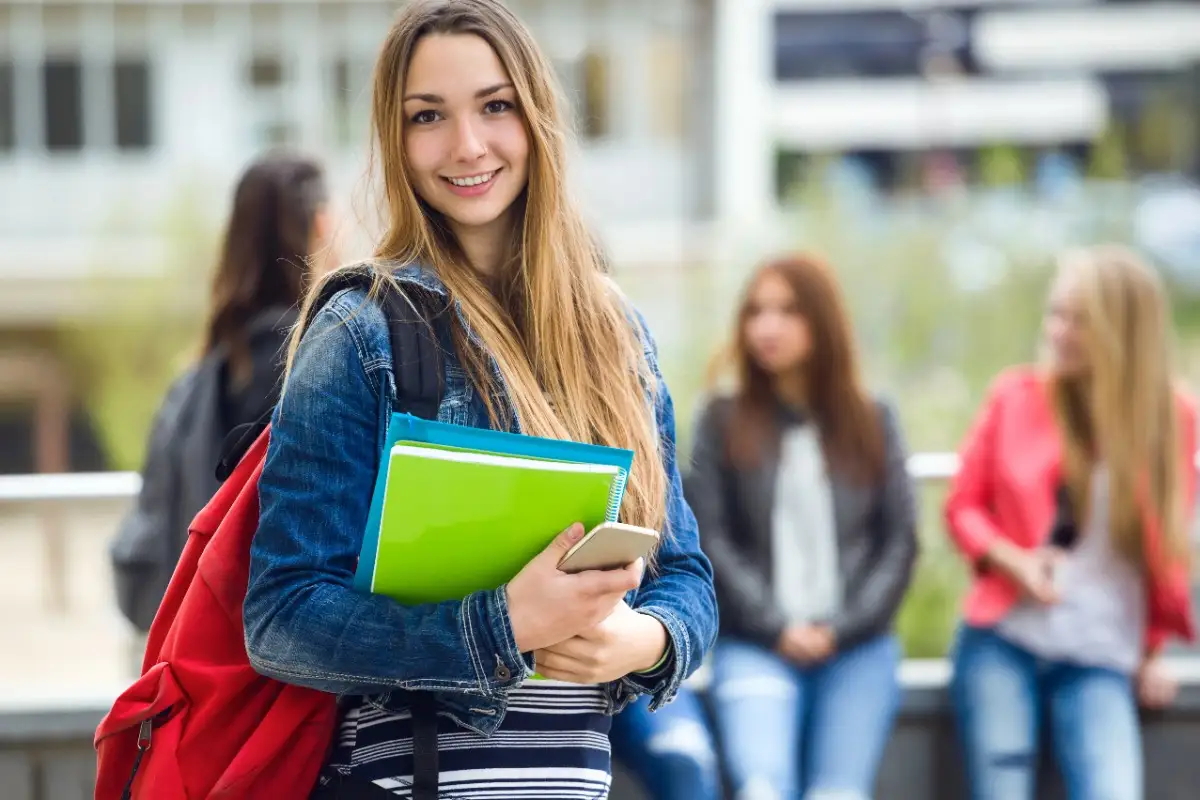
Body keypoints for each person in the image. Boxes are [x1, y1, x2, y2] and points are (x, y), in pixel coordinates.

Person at [240, 1, 718, 798]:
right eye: (428, 116)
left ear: (536, 116)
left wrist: (648, 641)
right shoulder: (362, 332)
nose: (467, 146)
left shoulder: (615, 331)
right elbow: (282, 617)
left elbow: (686, 570)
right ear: (396, 141)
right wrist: (500, 626)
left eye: (495, 106)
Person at [945, 244, 1197, 800]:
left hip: (1100, 654)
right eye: (1055, 313)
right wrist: (1014, 561)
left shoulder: (1173, 420)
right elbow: (961, 506)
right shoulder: (1016, 397)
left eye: (1079, 320)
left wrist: (1153, 652)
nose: (1059, 330)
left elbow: (1163, 551)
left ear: (1123, 331)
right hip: (1005, 639)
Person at [687, 253, 918, 799]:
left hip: (858, 648)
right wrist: (777, 627)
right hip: (756, 643)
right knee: (761, 788)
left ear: (823, 321)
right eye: (756, 311)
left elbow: (899, 544)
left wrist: (840, 628)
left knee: (837, 793)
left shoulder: (874, 418)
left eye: (788, 311)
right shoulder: (720, 419)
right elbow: (710, 540)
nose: (767, 327)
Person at [110, 151, 331, 634]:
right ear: (320, 224)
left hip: (193, 641)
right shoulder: (313, 361)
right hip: (264, 659)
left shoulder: (204, 371)